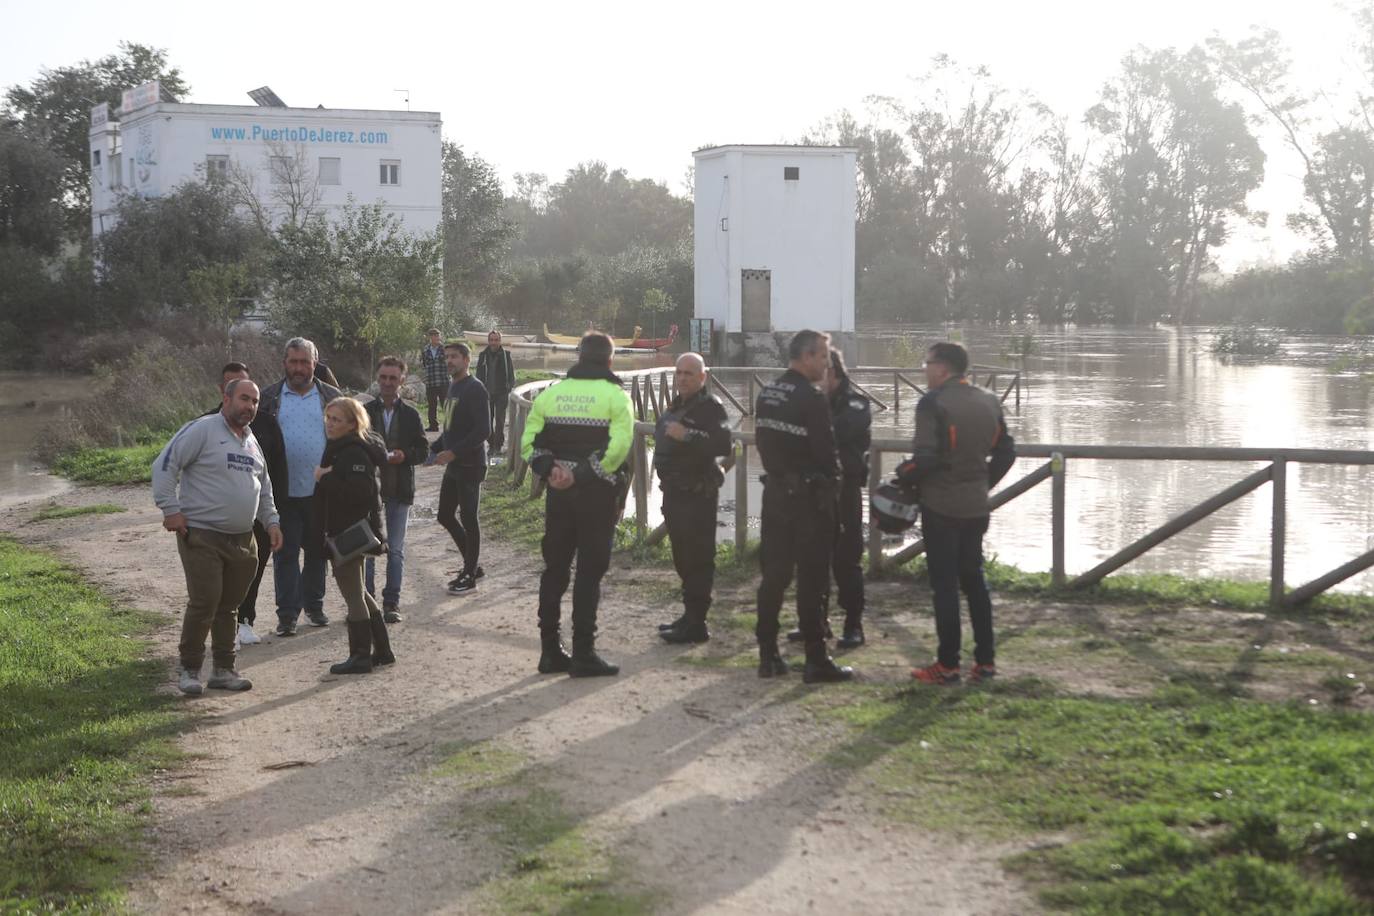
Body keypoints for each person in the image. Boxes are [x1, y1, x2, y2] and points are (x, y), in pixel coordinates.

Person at [153, 377, 283, 695]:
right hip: (202, 535)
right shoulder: (203, 429)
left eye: (254, 401)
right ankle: (189, 670)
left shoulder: (252, 442)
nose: (249, 406)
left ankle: (224, 670)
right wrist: (170, 509)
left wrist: (272, 522)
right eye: (243, 399)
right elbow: (165, 465)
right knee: (205, 602)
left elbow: (264, 488)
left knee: (229, 607)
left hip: (243, 540)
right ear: (226, 400)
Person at [898, 342, 1016, 686]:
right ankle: (986, 662)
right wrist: (983, 483)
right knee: (975, 581)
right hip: (976, 505)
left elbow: (926, 459)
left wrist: (901, 476)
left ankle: (948, 665)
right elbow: (1007, 451)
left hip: (941, 506)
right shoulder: (989, 400)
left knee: (945, 586)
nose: (924, 369)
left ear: (943, 368)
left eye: (927, 363)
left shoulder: (932, 403)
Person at [520, 331, 633, 677]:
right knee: (588, 573)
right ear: (610, 360)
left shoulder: (552, 394)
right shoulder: (616, 397)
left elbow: (529, 443)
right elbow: (617, 450)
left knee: (554, 569)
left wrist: (551, 469)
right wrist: (581, 475)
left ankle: (550, 651)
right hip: (596, 496)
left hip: (558, 496)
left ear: (579, 356)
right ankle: (584, 653)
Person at [753, 330, 853, 684]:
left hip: (776, 496)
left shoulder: (767, 392)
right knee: (812, 579)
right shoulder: (811, 398)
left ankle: (768, 654)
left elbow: (763, 444)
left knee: (774, 579)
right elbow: (827, 454)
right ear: (807, 356)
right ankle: (816, 659)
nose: (827, 364)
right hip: (810, 501)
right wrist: (835, 484)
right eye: (823, 356)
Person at [258, 337, 343, 636]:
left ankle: (315, 607)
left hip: (320, 493)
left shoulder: (331, 396)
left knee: (318, 553)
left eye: (304, 362)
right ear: (284, 363)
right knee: (285, 553)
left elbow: (347, 440)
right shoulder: (268, 398)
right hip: (282, 492)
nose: (298, 368)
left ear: (314, 363)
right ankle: (288, 615)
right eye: (293, 362)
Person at [787, 349, 872, 649]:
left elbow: (833, 434)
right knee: (810, 560)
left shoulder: (856, 403)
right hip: (812, 491)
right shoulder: (808, 402)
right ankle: (814, 622)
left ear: (834, 372)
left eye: (821, 370)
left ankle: (853, 625)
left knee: (847, 560)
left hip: (844, 491)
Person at [203, 362, 287, 647]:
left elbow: (276, 470)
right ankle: (221, 627)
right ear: (223, 392)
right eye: (233, 387)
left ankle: (245, 620)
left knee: (252, 568)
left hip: (258, 515)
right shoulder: (204, 425)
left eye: (247, 388)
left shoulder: (264, 424)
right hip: (217, 519)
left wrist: (275, 515)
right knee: (222, 574)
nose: (244, 397)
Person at [653, 352, 731, 645]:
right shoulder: (677, 405)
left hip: (697, 496)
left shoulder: (711, 407)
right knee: (682, 558)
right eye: (679, 373)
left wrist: (687, 435)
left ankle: (698, 623)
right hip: (673, 494)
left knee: (698, 559)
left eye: (689, 373)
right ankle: (689, 616)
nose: (683, 378)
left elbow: (724, 444)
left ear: (702, 378)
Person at [313, 397, 394, 674]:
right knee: (359, 591)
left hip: (349, 533)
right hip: (347, 530)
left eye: (337, 419)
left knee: (353, 595)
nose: (330, 424)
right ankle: (382, 650)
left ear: (352, 423)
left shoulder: (352, 452)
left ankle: (360, 656)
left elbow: (361, 492)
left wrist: (325, 477)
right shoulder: (345, 448)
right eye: (328, 417)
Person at [364, 357, 429, 623]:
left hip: (400, 488)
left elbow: (423, 451)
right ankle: (365, 602)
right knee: (367, 548)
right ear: (377, 380)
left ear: (402, 380)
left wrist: (406, 455)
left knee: (397, 549)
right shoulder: (365, 412)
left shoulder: (412, 415)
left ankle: (392, 602)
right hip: (370, 490)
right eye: (383, 378)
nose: (388, 383)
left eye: (393, 378)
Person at [429, 341, 490, 595]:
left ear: (467, 360)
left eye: (454, 357)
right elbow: (451, 427)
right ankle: (472, 565)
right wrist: (433, 449)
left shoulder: (475, 389)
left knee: (468, 518)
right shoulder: (453, 386)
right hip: (455, 465)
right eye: (447, 357)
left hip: (470, 464)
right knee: (444, 515)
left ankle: (469, 574)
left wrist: (453, 452)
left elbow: (483, 430)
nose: (449, 361)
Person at [475, 329, 516, 455]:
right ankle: (491, 443)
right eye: (491, 340)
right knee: (487, 420)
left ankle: (497, 446)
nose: (494, 342)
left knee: (500, 421)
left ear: (500, 341)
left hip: (501, 393)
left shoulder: (506, 355)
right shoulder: (483, 355)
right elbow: (478, 374)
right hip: (487, 393)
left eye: (496, 340)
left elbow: (511, 375)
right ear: (488, 341)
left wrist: (508, 388)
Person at [420, 328, 449, 432]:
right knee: (432, 405)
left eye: (437, 335)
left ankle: (450, 426)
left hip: (443, 381)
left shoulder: (445, 349)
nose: (436, 337)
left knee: (446, 405)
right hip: (431, 381)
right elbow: (424, 364)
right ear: (430, 337)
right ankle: (433, 426)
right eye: (433, 335)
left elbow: (450, 364)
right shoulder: (425, 350)